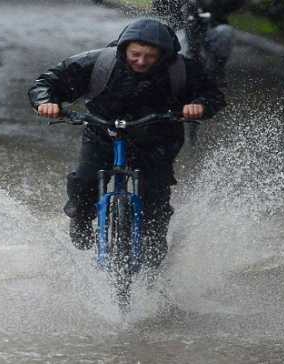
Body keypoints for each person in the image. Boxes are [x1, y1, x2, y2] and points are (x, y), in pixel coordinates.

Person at [28, 18, 225, 269]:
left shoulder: (183, 70)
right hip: (102, 132)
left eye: (150, 57)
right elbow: (46, 83)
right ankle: (80, 217)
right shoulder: (98, 62)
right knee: (85, 181)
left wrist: (200, 106)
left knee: (155, 198)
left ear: (163, 56)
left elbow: (213, 93)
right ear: (124, 49)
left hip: (158, 137)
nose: (141, 62)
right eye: (135, 54)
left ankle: (153, 252)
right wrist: (46, 102)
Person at [153, 0, 245, 84]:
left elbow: (234, 5)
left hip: (211, 27)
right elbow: (159, 7)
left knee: (226, 32)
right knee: (182, 44)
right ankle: (181, 74)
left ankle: (216, 71)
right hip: (181, 30)